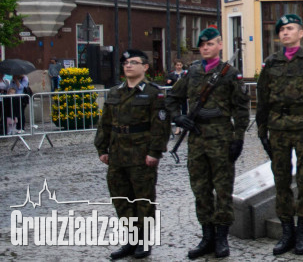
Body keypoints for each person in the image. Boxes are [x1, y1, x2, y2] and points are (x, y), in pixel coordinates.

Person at [167, 28, 249, 259]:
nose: (205, 48)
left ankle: (222, 238)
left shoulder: (230, 74)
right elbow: (172, 98)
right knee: (200, 189)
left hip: (222, 136)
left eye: (210, 44)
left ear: (219, 45)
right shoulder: (191, 73)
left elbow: (241, 109)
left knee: (223, 190)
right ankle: (207, 237)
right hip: (197, 138)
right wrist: (177, 117)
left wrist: (239, 138)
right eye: (202, 45)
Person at [256, 14, 303, 255]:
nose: (285, 33)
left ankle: (302, 232)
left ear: (301, 33)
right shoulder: (271, 63)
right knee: (281, 180)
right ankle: (287, 231)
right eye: (282, 30)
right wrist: (262, 131)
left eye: (290, 28)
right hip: (278, 128)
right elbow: (262, 99)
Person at [95, 49, 170, 259]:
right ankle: (131, 239)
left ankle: (144, 242)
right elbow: (105, 123)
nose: (128, 65)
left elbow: (160, 126)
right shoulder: (115, 92)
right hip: (118, 154)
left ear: (145, 67)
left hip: (141, 155)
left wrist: (155, 152)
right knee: (121, 199)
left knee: (143, 200)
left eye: (134, 62)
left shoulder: (154, 93)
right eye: (126, 62)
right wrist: (102, 148)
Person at [166, 61, 188, 134]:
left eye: (180, 65)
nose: (179, 66)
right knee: (176, 111)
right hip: (175, 95)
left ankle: (184, 127)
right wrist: (168, 82)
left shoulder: (185, 73)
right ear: (175, 66)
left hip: (183, 95)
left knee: (184, 110)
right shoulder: (171, 74)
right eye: (177, 65)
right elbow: (167, 83)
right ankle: (178, 128)